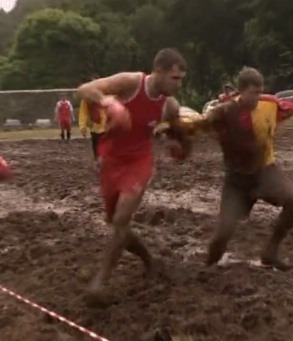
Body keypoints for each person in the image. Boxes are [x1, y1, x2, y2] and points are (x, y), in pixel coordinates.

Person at [163, 67, 293, 271]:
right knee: (222, 234)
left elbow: (286, 106)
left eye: (259, 92)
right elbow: (198, 124)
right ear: (241, 91)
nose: (257, 97)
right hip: (236, 181)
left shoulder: (268, 104)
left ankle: (270, 252)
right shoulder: (224, 112)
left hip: (264, 171)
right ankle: (207, 267)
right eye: (252, 93)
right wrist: (172, 128)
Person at [76, 48, 190, 297]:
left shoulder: (170, 106)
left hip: (139, 162)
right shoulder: (131, 83)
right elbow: (84, 90)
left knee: (121, 219)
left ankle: (101, 280)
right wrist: (108, 101)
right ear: (158, 72)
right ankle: (149, 260)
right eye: (175, 78)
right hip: (111, 160)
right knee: (117, 224)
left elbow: (179, 133)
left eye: (181, 79)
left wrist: (178, 145)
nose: (178, 84)